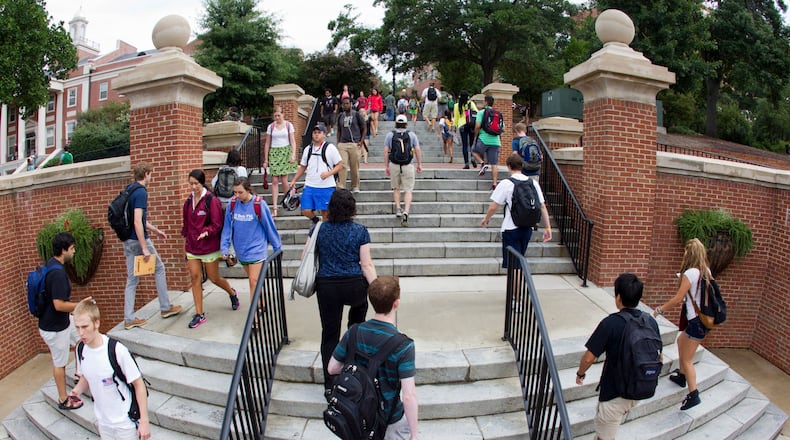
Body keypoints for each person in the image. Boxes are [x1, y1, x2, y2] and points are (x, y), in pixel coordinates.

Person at [328, 276, 417, 440]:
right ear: (396, 303)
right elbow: (408, 395)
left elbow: (332, 368)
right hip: (389, 418)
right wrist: (414, 433)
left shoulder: (353, 332)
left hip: (359, 413)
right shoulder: (404, 345)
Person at [575, 273, 661, 440]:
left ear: (618, 297)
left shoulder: (611, 323)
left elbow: (588, 358)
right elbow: (659, 355)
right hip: (640, 387)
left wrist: (580, 373)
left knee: (604, 437)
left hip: (614, 395)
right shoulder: (650, 321)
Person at [313, 189, 377, 392]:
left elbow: (305, 256)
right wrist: (376, 287)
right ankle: (353, 374)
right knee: (356, 329)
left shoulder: (319, 229)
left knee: (329, 334)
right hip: (354, 285)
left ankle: (330, 383)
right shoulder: (360, 231)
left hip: (327, 285)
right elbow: (366, 265)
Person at [70, 300, 151, 440]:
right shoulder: (81, 349)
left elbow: (139, 384)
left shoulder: (117, 350)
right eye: (77, 327)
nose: (81, 333)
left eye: (85, 327)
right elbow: (87, 376)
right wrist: (76, 391)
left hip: (125, 423)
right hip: (103, 422)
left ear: (96, 323)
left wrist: (144, 421)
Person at [652, 238, 713, 411]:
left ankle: (693, 394)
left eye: (686, 252)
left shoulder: (691, 273)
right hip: (703, 320)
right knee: (680, 341)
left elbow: (678, 298)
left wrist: (659, 309)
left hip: (695, 322)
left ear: (690, 253)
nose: (684, 254)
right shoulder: (706, 271)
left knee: (687, 359)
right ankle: (681, 376)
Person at [123, 162, 182, 330]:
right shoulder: (141, 192)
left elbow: (139, 220)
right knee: (159, 268)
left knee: (132, 279)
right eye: (150, 174)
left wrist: (156, 231)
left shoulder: (129, 190)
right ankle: (165, 307)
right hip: (137, 240)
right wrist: (144, 247)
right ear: (146, 174)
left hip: (127, 240)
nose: (151, 177)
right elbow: (137, 221)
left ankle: (128, 318)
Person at [38, 232, 91, 411]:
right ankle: (63, 399)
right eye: (72, 248)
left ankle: (79, 373)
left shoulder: (51, 264)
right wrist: (81, 305)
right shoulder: (57, 274)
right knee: (59, 363)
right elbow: (59, 305)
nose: (74, 251)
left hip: (61, 321)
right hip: (55, 328)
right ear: (64, 250)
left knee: (82, 339)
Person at [181, 169, 240, 329]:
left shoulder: (211, 200)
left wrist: (207, 232)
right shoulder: (188, 202)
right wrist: (186, 241)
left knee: (214, 278)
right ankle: (199, 314)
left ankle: (232, 292)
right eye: (191, 183)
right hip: (192, 247)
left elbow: (217, 223)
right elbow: (186, 225)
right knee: (195, 278)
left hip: (209, 247)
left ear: (202, 183)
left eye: (196, 183)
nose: (193, 187)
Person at [481, 155, 552, 267]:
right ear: (522, 166)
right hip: (527, 228)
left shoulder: (506, 183)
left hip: (511, 228)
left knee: (513, 265)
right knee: (519, 261)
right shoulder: (533, 183)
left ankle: (517, 279)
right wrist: (548, 228)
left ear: (509, 166)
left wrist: (486, 219)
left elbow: (494, 206)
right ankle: (518, 278)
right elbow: (542, 206)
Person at [220, 177, 282, 304]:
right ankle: (262, 303)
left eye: (240, 192)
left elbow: (269, 227)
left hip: (256, 248)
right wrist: (224, 247)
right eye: (235, 192)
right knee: (255, 281)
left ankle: (255, 314)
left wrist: (277, 248)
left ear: (248, 190)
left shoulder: (259, 204)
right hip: (241, 250)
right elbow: (227, 227)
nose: (237, 195)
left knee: (253, 281)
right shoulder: (232, 204)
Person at [289, 125, 344, 226]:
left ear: (324, 134)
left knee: (325, 213)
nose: (316, 135)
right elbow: (303, 166)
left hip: (326, 186)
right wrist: (294, 180)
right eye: (315, 132)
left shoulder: (330, 148)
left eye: (319, 132)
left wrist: (328, 174)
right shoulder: (308, 149)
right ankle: (316, 221)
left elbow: (340, 165)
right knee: (305, 210)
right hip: (310, 185)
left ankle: (324, 230)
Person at [385, 114, 423, 226]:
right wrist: (419, 164)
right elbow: (417, 149)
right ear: (406, 124)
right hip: (408, 165)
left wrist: (386, 166)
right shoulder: (411, 135)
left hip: (394, 164)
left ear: (396, 123)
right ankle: (406, 211)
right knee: (408, 190)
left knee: (396, 188)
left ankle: (398, 208)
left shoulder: (390, 135)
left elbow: (386, 151)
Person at [263, 106, 298, 216]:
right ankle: (274, 207)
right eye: (275, 116)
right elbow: (267, 143)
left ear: (283, 115)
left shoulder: (288, 125)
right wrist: (266, 159)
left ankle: (287, 200)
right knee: (274, 180)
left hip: (285, 152)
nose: (277, 118)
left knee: (284, 179)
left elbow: (293, 141)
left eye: (279, 115)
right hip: (274, 153)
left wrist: (293, 154)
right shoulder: (271, 127)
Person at [336, 98, 366, 193]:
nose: (346, 105)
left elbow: (364, 128)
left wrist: (361, 141)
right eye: (344, 104)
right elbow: (339, 130)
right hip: (343, 144)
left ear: (351, 104)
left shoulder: (356, 115)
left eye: (347, 103)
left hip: (354, 143)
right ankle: (341, 186)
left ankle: (355, 185)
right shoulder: (341, 116)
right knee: (342, 165)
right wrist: (338, 142)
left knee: (354, 166)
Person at [474, 95, 503, 190]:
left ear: (486, 102)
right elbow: (502, 128)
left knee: (474, 151)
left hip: (483, 139)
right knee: (494, 164)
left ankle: (482, 163)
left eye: (484, 101)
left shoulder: (481, 112)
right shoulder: (498, 113)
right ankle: (494, 184)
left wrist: (476, 135)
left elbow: (477, 126)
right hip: (496, 141)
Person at [452, 90, 478, 169]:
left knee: (464, 145)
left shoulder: (456, 106)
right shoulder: (471, 103)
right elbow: (476, 112)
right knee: (472, 143)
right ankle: (472, 157)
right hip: (471, 124)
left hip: (462, 125)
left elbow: (456, 117)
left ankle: (466, 163)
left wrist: (454, 126)